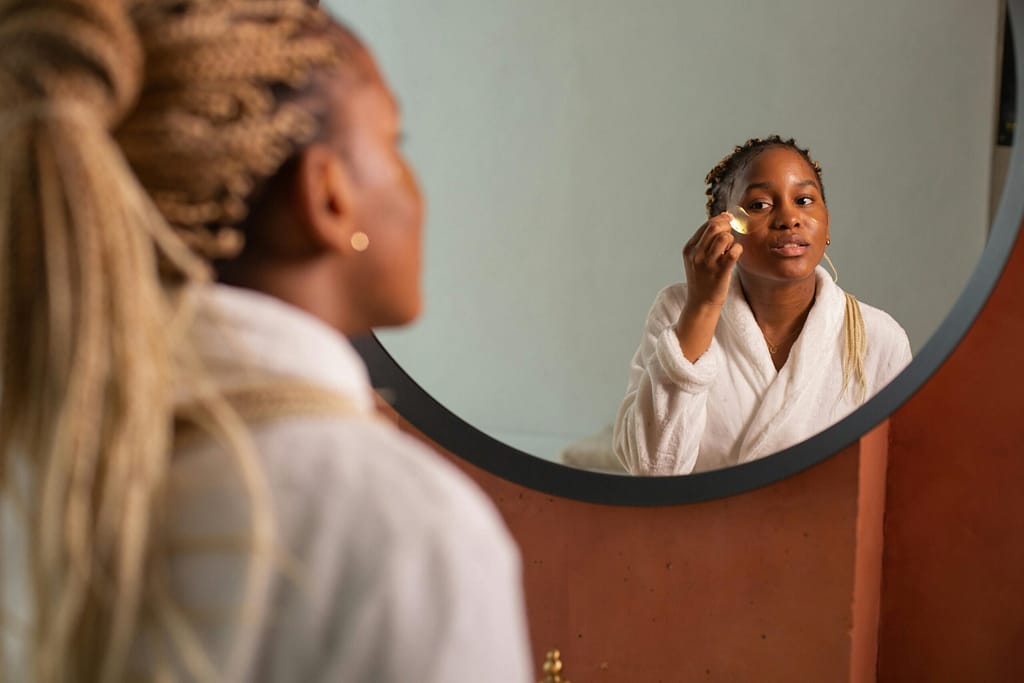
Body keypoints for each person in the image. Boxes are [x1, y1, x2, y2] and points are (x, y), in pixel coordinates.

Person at [0, 1, 531, 681]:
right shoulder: (400, 530)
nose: (411, 185)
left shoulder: (32, 475)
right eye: (395, 140)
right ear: (329, 197)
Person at [613, 135, 912, 476]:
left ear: (827, 222)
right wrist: (703, 307)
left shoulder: (877, 337)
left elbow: (897, 476)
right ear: (724, 228)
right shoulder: (678, 310)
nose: (789, 218)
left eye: (804, 200)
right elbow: (653, 469)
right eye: (759, 205)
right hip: (704, 529)